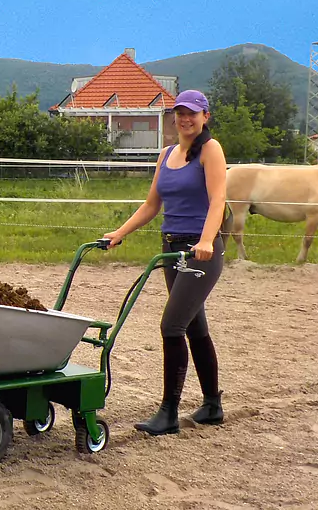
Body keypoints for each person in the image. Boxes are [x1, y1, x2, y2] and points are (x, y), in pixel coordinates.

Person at [103, 89, 227, 436]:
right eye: (179, 113)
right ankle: (212, 405)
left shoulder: (210, 150)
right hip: (172, 250)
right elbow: (151, 205)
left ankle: (169, 412)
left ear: (205, 116)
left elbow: (218, 199)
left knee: (171, 326)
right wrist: (118, 233)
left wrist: (205, 239)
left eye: (192, 113)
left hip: (201, 251)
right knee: (194, 327)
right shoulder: (167, 154)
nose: (185, 119)